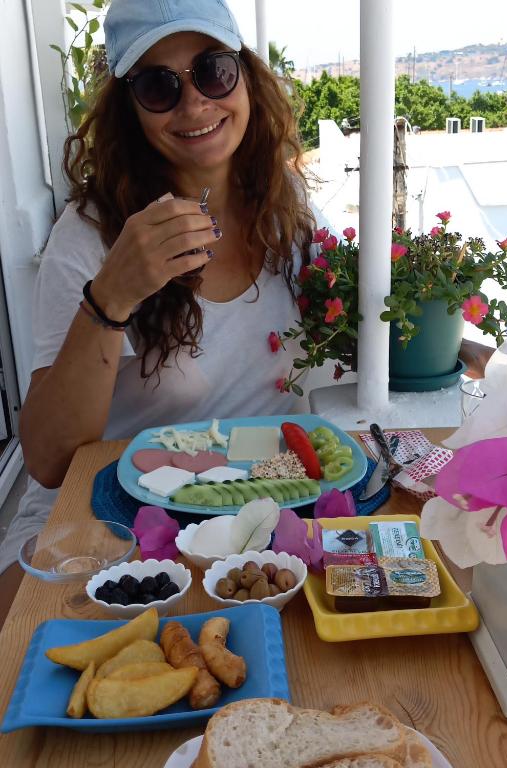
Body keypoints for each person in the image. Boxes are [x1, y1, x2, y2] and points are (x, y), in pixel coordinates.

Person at [0, 0, 315, 618]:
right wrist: (111, 296)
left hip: (254, 508)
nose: (195, 103)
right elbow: (46, 461)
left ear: (247, 76)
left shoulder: (288, 206)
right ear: (130, 107)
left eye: (213, 70)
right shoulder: (91, 236)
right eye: (158, 85)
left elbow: (356, 329)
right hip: (109, 521)